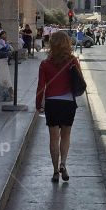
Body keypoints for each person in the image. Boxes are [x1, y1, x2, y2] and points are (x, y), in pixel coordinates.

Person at [35, 31, 82, 183]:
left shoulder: (45, 64)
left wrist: (38, 104)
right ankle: (64, 163)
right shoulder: (73, 60)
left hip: (52, 103)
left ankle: (55, 171)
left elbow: (41, 86)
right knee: (66, 135)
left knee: (53, 137)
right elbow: (80, 80)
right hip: (68, 102)